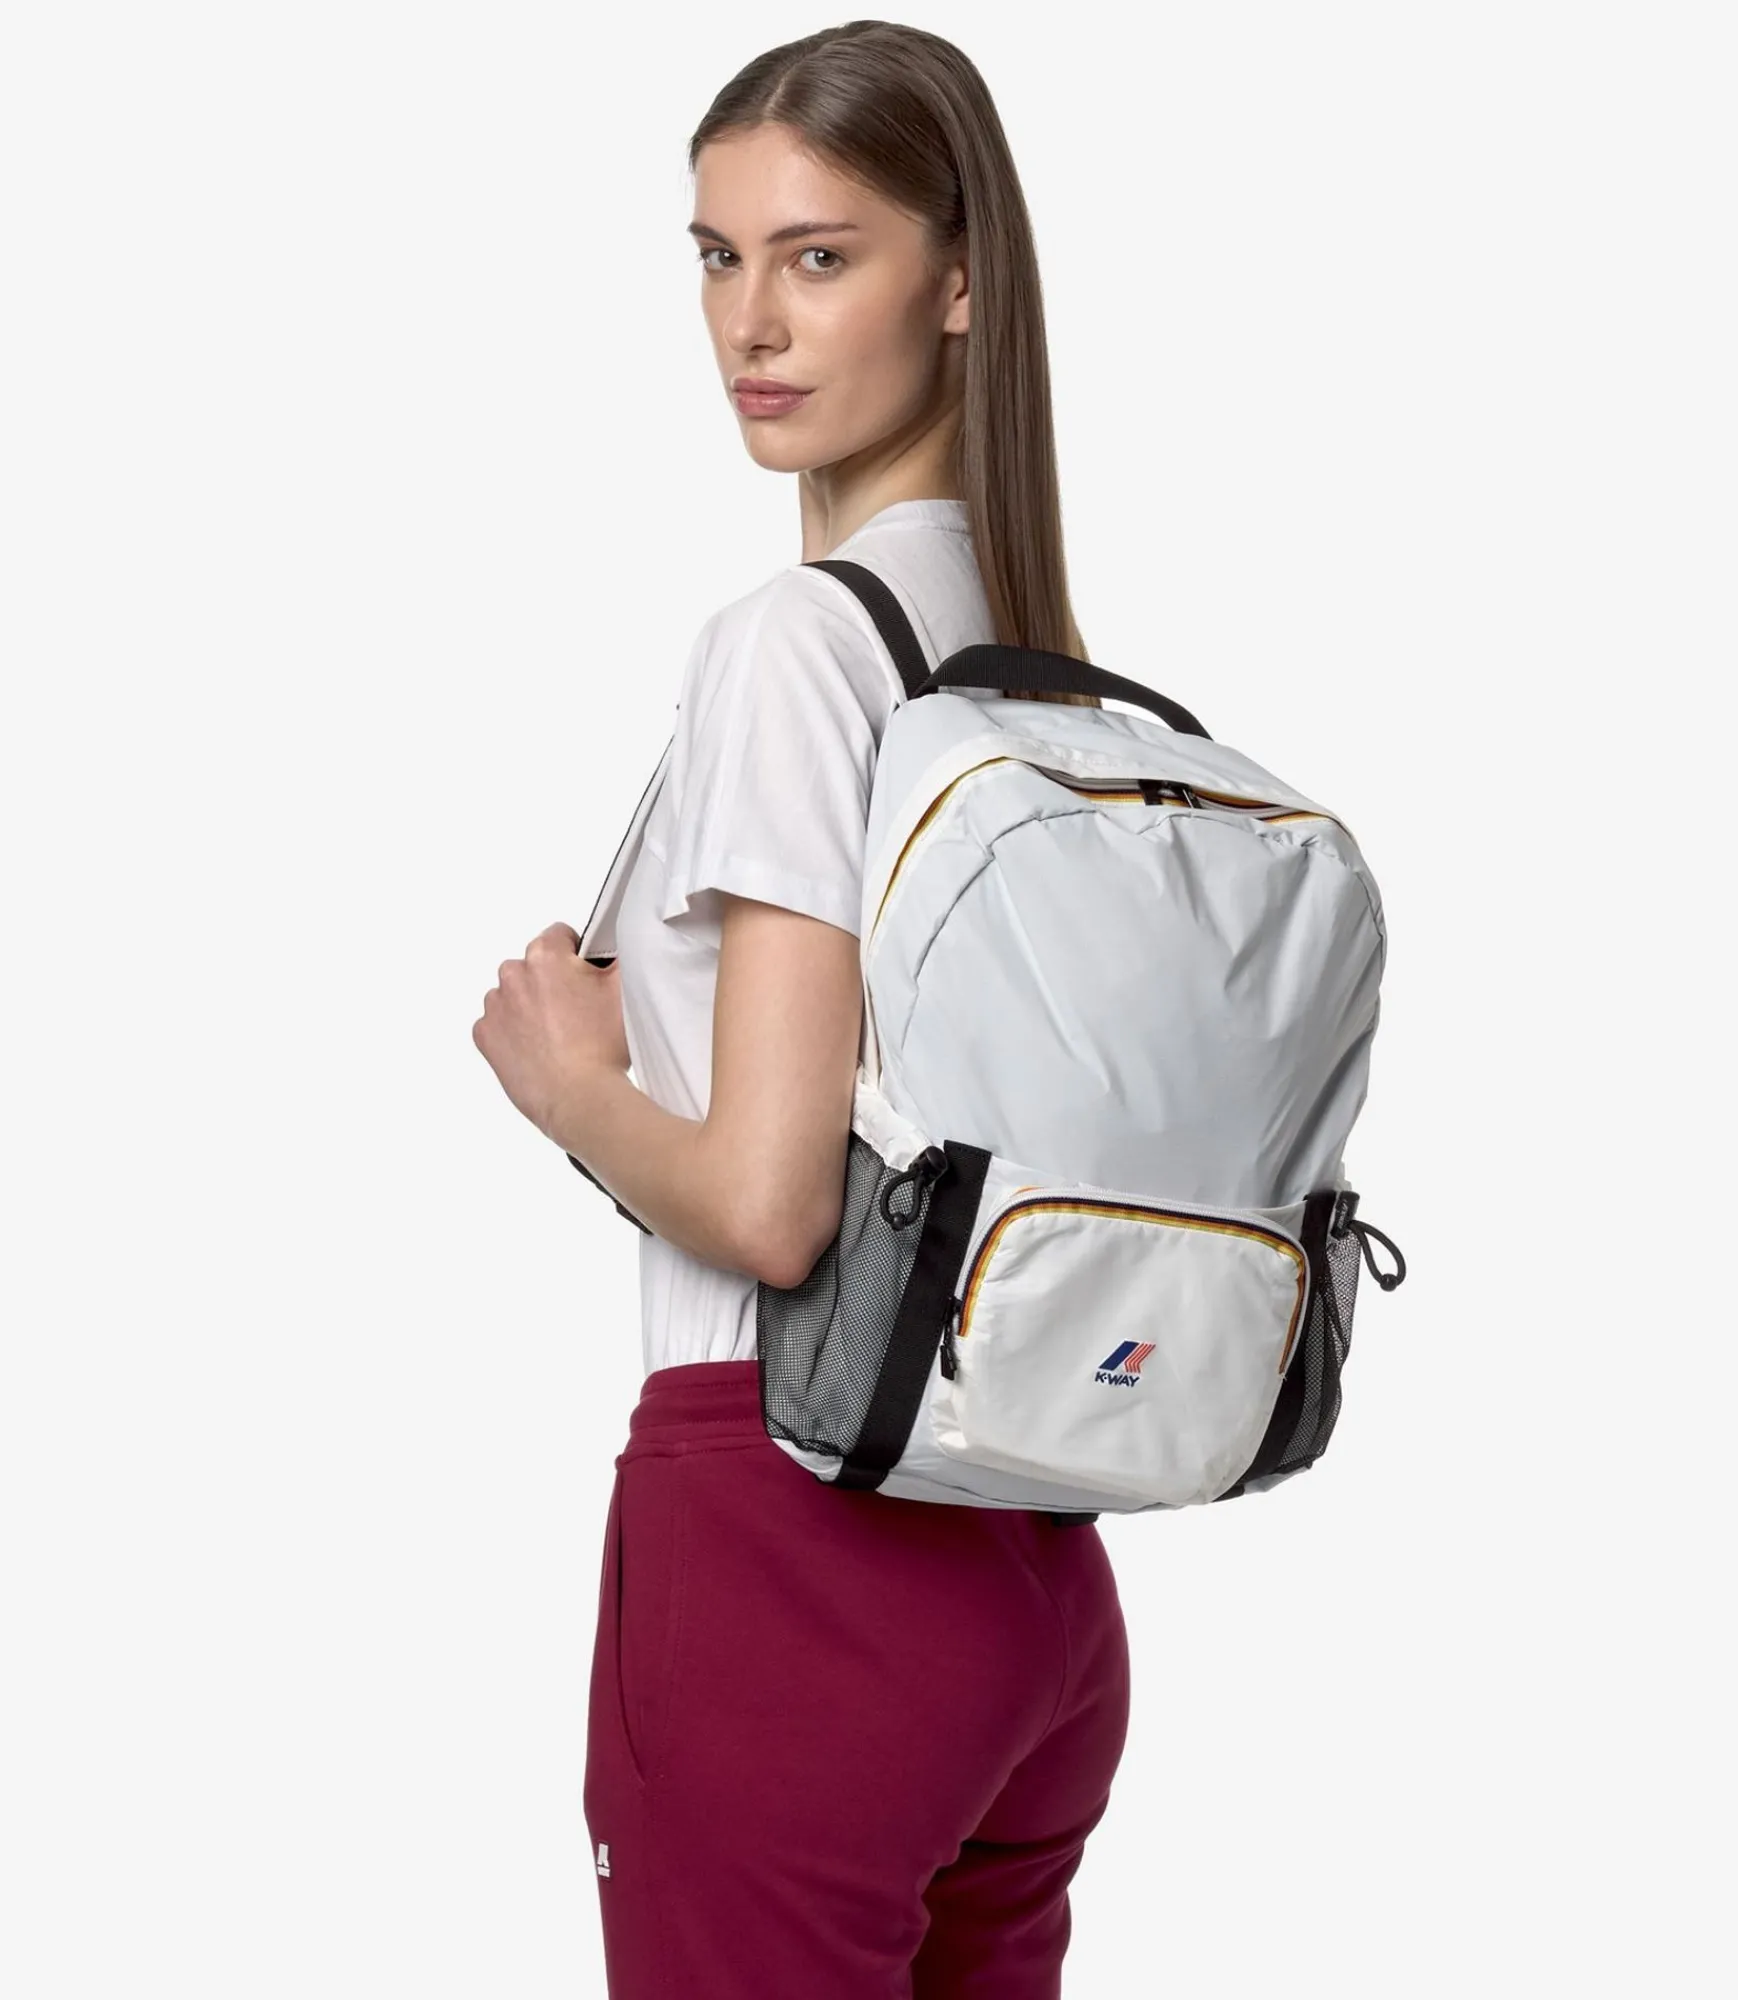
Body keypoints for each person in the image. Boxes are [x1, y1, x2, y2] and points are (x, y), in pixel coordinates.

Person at [473, 23, 1130, 1996]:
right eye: (716, 256)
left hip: (794, 1553)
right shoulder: (1032, 665)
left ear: (958, 280)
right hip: (1027, 1577)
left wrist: (568, 1079)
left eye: (819, 257)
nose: (749, 323)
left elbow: (772, 1208)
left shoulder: (791, 650)